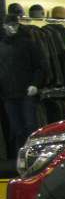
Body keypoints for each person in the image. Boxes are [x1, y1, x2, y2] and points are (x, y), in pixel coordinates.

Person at [0, 16, 46, 157]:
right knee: (16, 129)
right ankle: (21, 158)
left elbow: (40, 66)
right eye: (9, 25)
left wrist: (35, 84)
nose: (12, 28)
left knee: (30, 126)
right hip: (8, 94)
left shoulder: (28, 44)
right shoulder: (1, 46)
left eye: (15, 25)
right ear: (4, 26)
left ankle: (35, 156)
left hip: (27, 92)